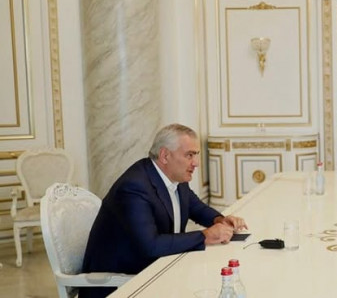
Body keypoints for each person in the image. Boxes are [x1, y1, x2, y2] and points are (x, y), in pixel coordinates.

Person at [81, 124, 248, 298]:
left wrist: (220, 220)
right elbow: (151, 246)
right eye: (189, 155)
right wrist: (205, 236)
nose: (196, 163)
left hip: (157, 270)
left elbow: (196, 207)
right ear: (165, 155)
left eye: (196, 155)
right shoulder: (134, 187)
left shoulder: (174, 176)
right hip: (122, 285)